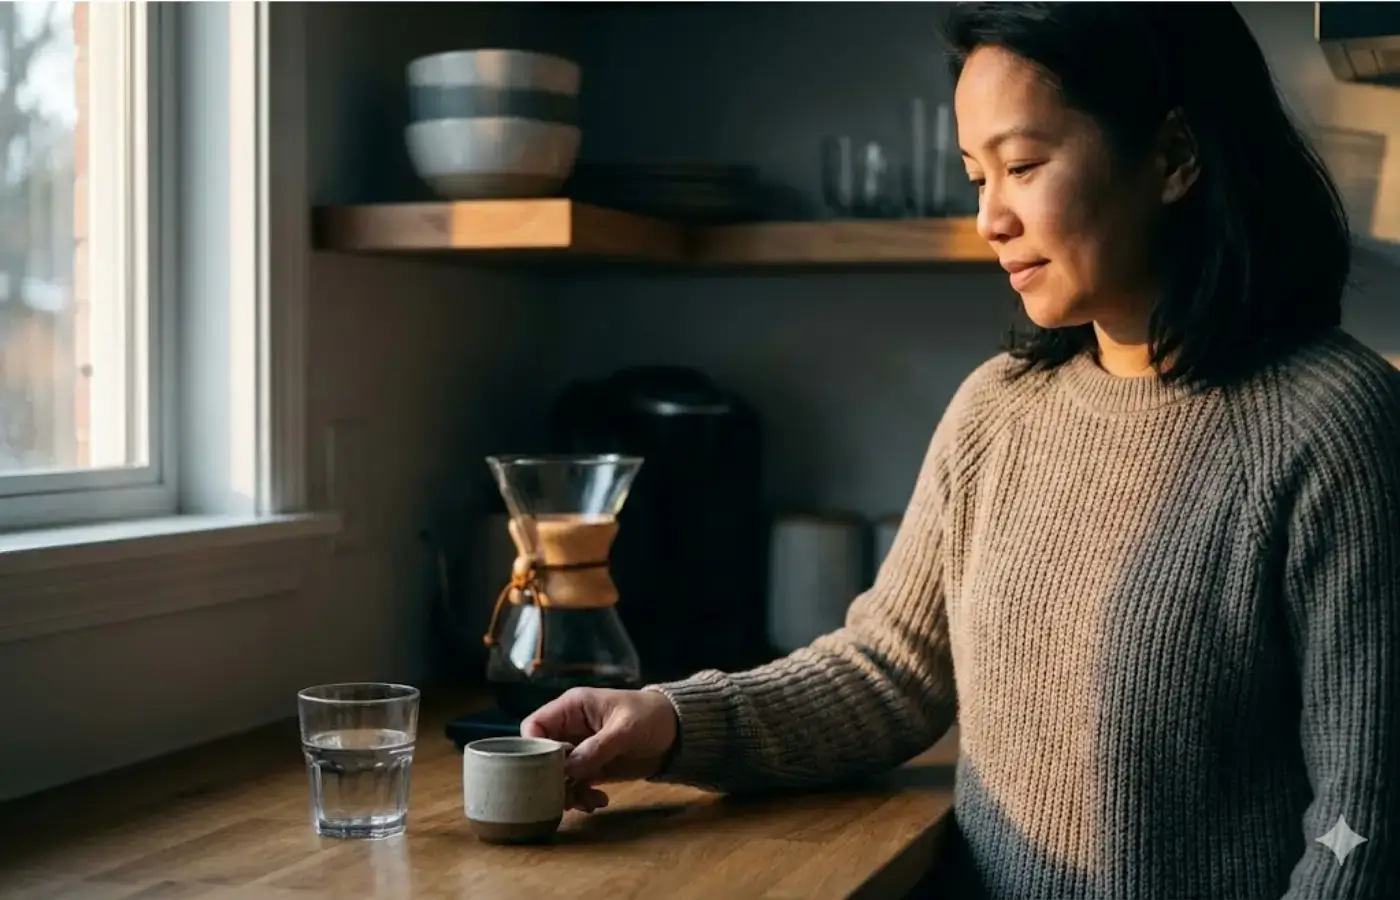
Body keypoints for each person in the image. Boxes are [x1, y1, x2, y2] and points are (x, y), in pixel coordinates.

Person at [523, 4, 1400, 898]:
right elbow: (887, 674)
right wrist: (668, 720)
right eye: (977, 175)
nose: (990, 217)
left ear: (1174, 156)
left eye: (1021, 167)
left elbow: (1364, 820)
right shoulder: (997, 411)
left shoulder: (1335, 427)